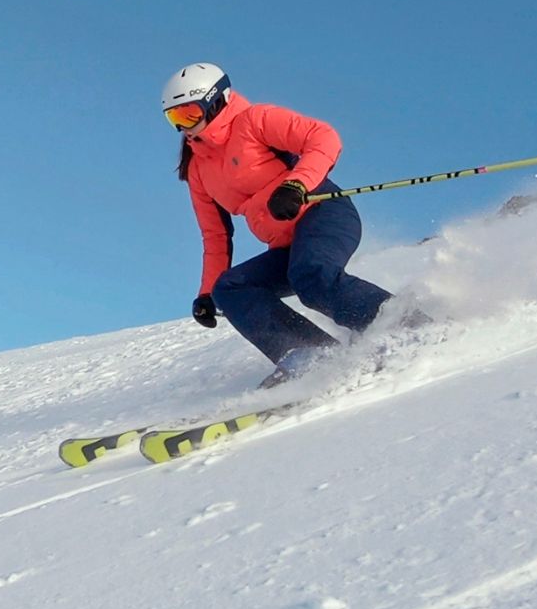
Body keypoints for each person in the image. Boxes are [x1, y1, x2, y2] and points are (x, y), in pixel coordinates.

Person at [162, 62, 395, 388]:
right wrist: (205, 293)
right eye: (174, 118)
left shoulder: (255, 120)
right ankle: (310, 355)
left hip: (324, 212)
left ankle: (404, 326)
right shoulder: (198, 169)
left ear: (216, 100)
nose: (183, 126)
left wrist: (297, 185)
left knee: (311, 276)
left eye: (188, 113)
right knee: (230, 288)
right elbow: (215, 235)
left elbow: (323, 137)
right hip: (286, 244)